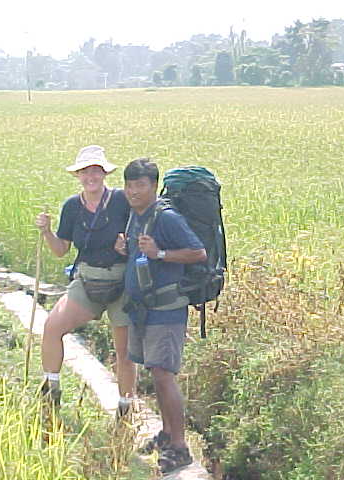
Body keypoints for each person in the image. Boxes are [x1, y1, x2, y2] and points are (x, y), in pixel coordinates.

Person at [114, 158, 207, 473]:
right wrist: (126, 250)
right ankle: (167, 433)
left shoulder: (166, 218)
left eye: (140, 185)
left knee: (164, 376)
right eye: (129, 185)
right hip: (144, 310)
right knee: (156, 372)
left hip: (166, 310)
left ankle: (180, 448)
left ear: (153, 186)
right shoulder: (135, 216)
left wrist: (161, 254)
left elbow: (198, 252)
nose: (133, 191)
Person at [35, 145, 136, 416]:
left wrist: (127, 247)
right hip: (88, 280)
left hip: (121, 283)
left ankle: (125, 409)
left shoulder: (121, 201)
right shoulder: (71, 207)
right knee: (52, 328)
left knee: (124, 352)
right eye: (85, 171)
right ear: (78, 175)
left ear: (104, 173)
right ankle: (51, 391)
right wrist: (46, 232)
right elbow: (61, 250)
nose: (91, 176)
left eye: (95, 170)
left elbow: (140, 239)